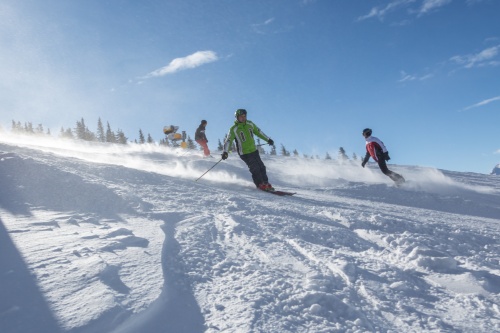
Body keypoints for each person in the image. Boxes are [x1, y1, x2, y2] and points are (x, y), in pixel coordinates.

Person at [221, 109, 275, 191]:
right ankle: (260, 184)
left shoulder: (250, 124)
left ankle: (266, 183)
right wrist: (225, 152)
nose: (243, 118)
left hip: (253, 150)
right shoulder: (234, 129)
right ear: (237, 118)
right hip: (244, 153)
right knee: (255, 168)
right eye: (241, 117)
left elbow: (258, 132)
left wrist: (268, 139)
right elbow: (228, 140)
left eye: (244, 116)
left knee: (262, 167)